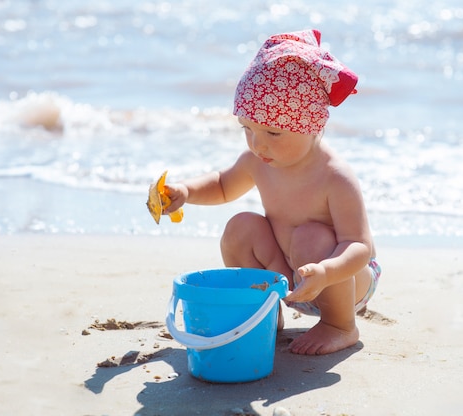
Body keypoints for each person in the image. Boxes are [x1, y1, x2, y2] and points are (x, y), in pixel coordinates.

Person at [163, 29, 381, 355]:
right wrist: (185, 191)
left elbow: (359, 247)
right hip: (290, 276)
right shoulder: (258, 160)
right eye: (247, 129)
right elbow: (223, 185)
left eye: (273, 132)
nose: (258, 143)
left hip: (342, 281)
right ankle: (265, 313)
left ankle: (340, 326)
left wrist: (325, 272)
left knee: (310, 237)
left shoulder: (334, 177)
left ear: (313, 125)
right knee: (241, 226)